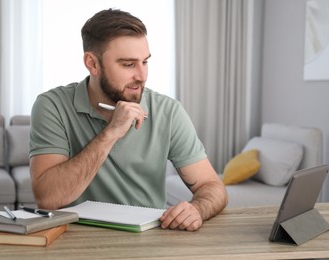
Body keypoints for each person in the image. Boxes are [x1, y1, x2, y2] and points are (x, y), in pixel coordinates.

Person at [29, 8, 228, 231]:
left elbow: (212, 186)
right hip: (75, 238)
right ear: (92, 64)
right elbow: (47, 199)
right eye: (128, 64)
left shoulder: (167, 111)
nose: (141, 76)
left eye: (145, 62)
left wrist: (197, 209)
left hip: (147, 240)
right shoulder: (52, 106)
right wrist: (111, 133)